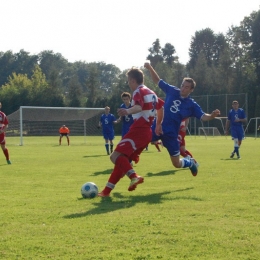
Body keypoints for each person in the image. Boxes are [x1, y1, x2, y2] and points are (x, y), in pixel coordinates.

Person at [144, 62, 220, 176]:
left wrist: (212, 116)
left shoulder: (191, 105)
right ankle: (128, 167)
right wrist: (150, 68)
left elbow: (203, 117)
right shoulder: (172, 90)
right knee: (141, 140)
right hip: (158, 126)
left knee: (176, 163)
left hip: (171, 134)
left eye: (186, 87)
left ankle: (190, 163)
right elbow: (158, 81)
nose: (183, 88)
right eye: (182, 85)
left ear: (191, 90)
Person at [98, 67, 163, 197]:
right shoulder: (152, 93)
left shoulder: (138, 91)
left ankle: (134, 176)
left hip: (139, 130)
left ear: (133, 80)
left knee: (114, 156)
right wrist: (158, 125)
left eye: (128, 80)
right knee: (122, 161)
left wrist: (127, 111)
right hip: (147, 132)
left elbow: (139, 107)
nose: (128, 83)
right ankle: (106, 191)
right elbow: (161, 108)